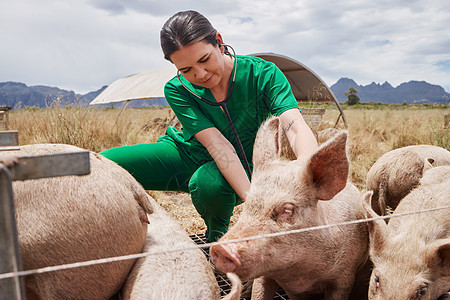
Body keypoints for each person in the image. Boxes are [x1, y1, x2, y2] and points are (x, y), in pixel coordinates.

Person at [100, 10, 318, 242]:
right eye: (186, 69)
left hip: (239, 166)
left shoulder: (263, 74)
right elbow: (216, 144)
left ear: (220, 43)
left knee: (207, 183)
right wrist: (255, 202)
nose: (200, 74)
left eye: (204, 60)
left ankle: (216, 236)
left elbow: (294, 126)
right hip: (187, 155)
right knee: (104, 163)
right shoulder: (176, 89)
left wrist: (311, 177)